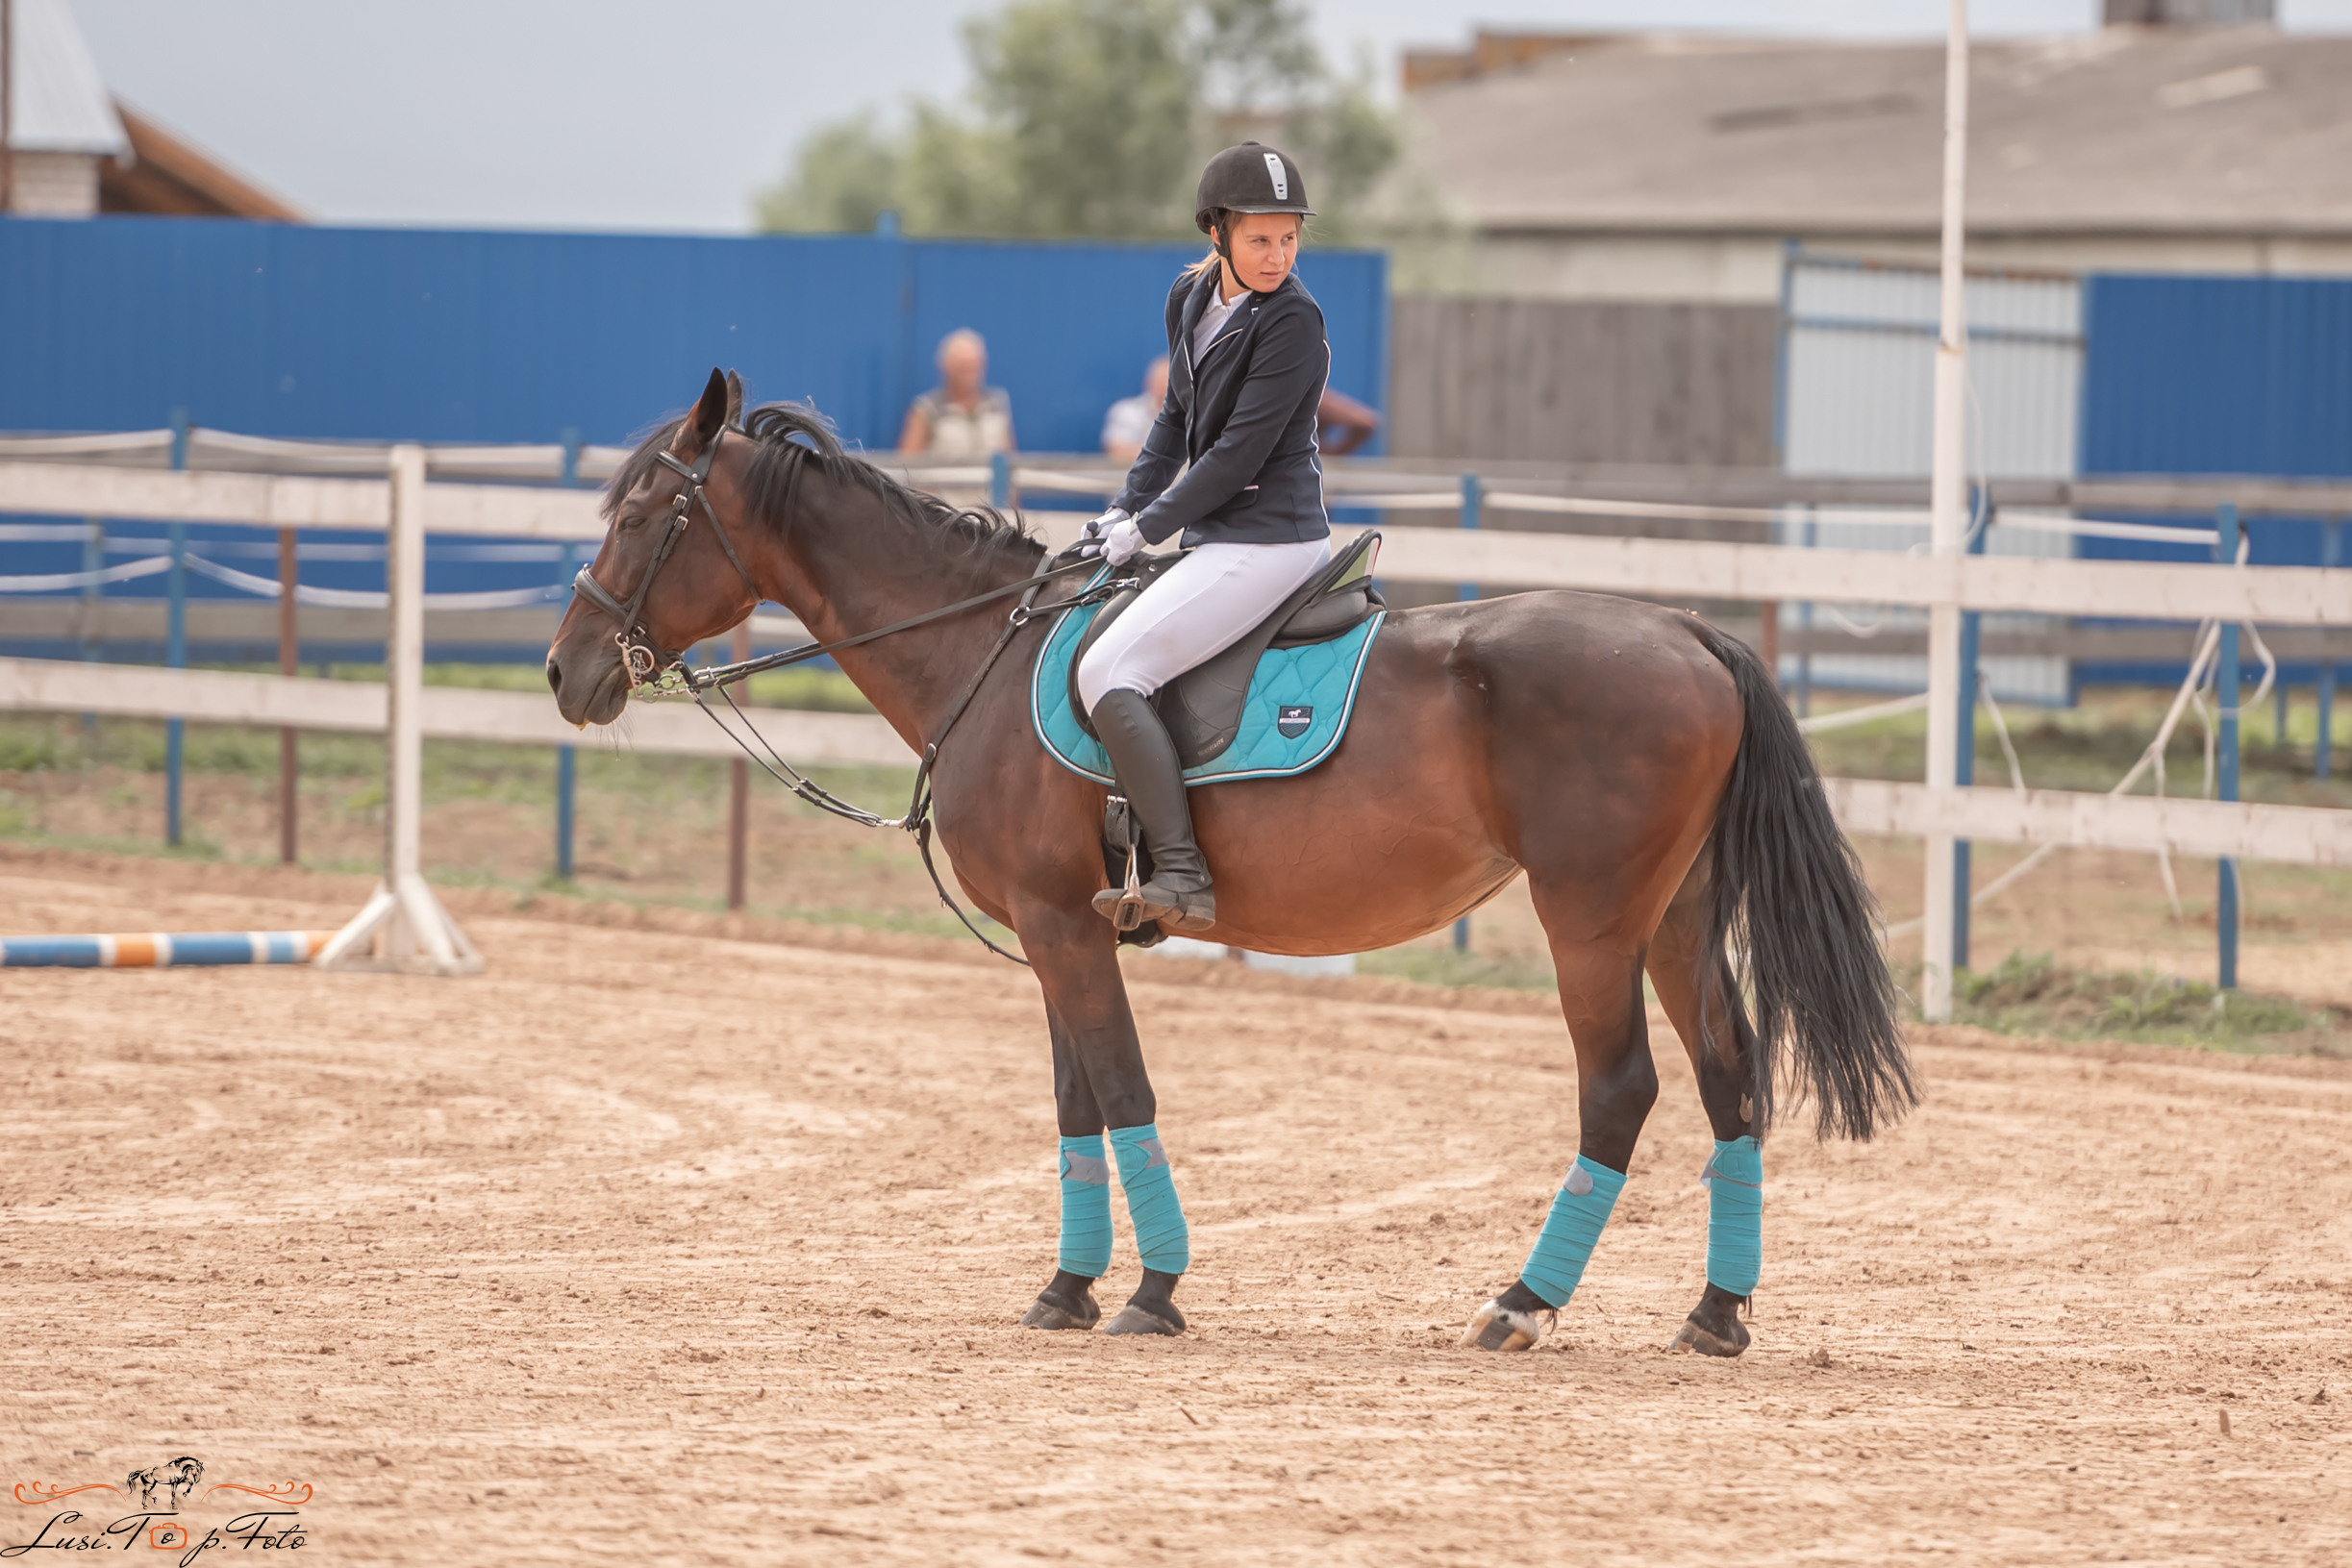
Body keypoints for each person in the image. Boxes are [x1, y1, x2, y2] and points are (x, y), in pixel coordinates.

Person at [1075, 142, 1332, 935]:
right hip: (1221, 537)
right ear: (1217, 233)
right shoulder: (1189, 297)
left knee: (1109, 668)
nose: (1278, 254)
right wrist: (1124, 510)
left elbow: (1235, 457)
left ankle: (1181, 872)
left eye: (1289, 237)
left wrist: (1149, 529)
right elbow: (1175, 423)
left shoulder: (1294, 320)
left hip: (1271, 539)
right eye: (1261, 238)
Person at [899, 329, 1014, 459]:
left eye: (975, 366)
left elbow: (1010, 458)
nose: (971, 375)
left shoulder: (997, 403)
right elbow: (907, 462)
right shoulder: (926, 409)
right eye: (963, 367)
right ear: (946, 368)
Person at [1100, 357, 1170, 463]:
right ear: (1149, 381)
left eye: (1170, 379)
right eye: (1162, 379)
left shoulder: (1196, 414)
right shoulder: (1126, 411)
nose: (1165, 384)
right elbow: (1117, 450)